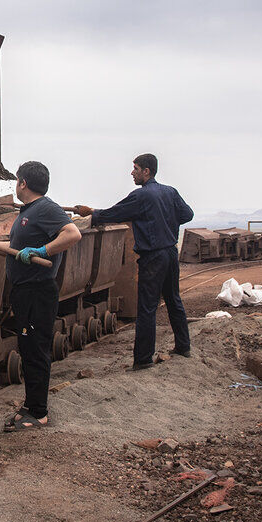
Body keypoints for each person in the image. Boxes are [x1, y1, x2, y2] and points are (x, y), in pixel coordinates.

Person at [0, 161, 80, 430]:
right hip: (25, 291)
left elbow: (73, 233)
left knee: (36, 349)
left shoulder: (46, 208)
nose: (15, 184)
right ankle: (30, 405)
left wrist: (43, 251)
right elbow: (13, 248)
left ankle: (39, 413)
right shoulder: (28, 212)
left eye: (16, 180)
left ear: (23, 183)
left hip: (38, 291)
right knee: (28, 349)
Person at [74, 153, 193, 371]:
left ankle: (143, 360)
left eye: (135, 168)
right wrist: (166, 222)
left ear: (146, 171)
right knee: (174, 299)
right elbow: (188, 214)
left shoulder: (141, 196)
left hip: (152, 258)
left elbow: (115, 213)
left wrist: (91, 214)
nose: (132, 172)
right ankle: (183, 346)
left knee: (147, 308)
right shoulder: (170, 192)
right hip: (170, 254)